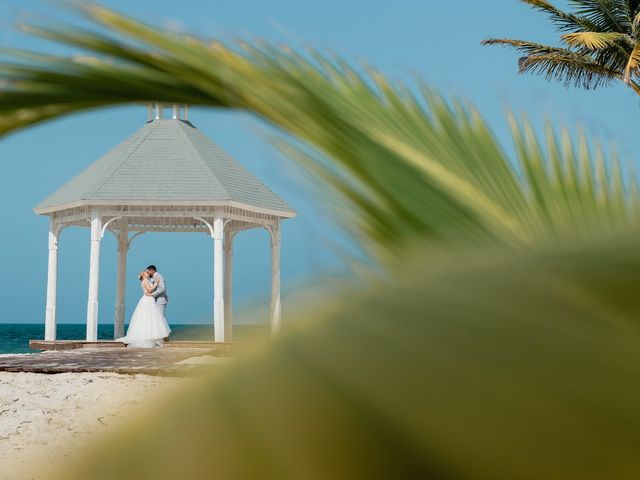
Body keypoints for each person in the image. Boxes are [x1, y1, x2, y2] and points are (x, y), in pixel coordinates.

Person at [116, 269, 171, 348]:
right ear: (144, 275)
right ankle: (148, 336)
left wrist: (154, 285)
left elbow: (149, 290)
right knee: (148, 316)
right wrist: (156, 283)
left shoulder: (146, 280)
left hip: (149, 299)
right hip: (148, 300)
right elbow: (149, 290)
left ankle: (151, 335)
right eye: (147, 273)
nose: (148, 273)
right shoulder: (145, 280)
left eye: (148, 272)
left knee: (150, 318)